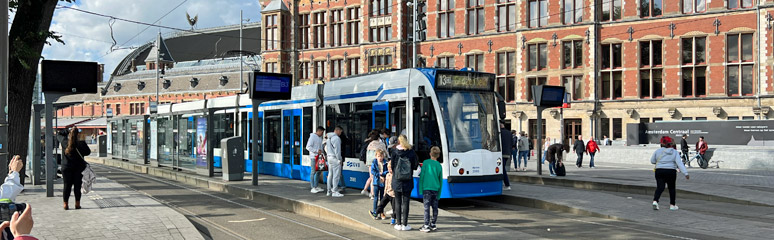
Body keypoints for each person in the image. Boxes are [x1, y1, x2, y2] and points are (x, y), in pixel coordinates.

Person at [651, 136, 689, 211]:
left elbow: (652, 161)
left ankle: (655, 201)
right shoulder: (674, 152)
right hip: (671, 171)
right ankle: (672, 205)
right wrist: (685, 173)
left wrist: (661, 162)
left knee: (660, 187)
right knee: (671, 188)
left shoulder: (657, 151)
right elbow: (679, 163)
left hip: (659, 170)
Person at [390, 135, 419, 231]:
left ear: (398, 142)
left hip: (397, 180)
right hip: (407, 181)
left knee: (398, 202)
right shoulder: (411, 152)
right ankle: (405, 224)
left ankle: (398, 224)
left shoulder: (394, 152)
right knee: (406, 203)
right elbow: (415, 166)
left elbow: (393, 166)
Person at [62, 127, 90, 210]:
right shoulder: (81, 143)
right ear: (78, 134)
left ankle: (65, 204)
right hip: (78, 168)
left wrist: (67, 130)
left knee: (67, 186)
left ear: (69, 134)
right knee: (77, 186)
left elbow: (59, 134)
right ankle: (77, 204)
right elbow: (88, 152)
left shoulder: (64, 142)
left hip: (66, 167)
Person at [418, 147, 442, 233]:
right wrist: (439, 193)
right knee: (435, 207)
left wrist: (420, 189)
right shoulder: (439, 165)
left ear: (430, 153)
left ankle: (426, 225)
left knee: (426, 207)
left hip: (426, 188)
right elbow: (440, 180)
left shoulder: (425, 163)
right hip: (435, 189)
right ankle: (433, 223)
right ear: (438, 155)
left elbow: (422, 177)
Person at [363, 130, 388, 198]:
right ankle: (381, 193)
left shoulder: (369, 144)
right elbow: (386, 153)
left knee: (372, 178)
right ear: (378, 138)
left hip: (370, 163)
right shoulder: (381, 144)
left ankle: (372, 194)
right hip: (378, 163)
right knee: (381, 177)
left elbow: (367, 154)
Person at [374, 154, 396, 224]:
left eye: (391, 168)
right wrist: (384, 192)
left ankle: (393, 219)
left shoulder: (395, 176)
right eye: (388, 169)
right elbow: (386, 184)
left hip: (394, 195)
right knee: (382, 204)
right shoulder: (387, 175)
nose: (389, 170)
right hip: (388, 193)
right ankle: (376, 213)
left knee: (394, 208)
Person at [369, 149, 388, 219]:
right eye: (378, 156)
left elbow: (387, 171)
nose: (380, 158)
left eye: (381, 156)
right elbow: (373, 171)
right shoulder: (374, 162)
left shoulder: (385, 162)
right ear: (376, 156)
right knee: (376, 198)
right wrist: (379, 175)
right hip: (376, 182)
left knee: (382, 199)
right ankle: (375, 212)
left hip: (383, 182)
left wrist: (383, 174)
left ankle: (381, 212)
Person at [326, 126, 344, 197]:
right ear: (338, 130)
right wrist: (339, 159)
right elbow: (337, 151)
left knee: (330, 174)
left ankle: (328, 191)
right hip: (334, 158)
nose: (340, 133)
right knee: (336, 175)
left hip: (329, 157)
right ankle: (335, 191)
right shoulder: (336, 138)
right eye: (340, 132)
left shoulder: (328, 138)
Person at [306, 126, 325, 193]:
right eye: (322, 132)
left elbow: (321, 147)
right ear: (319, 131)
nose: (322, 134)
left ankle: (316, 186)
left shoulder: (320, 138)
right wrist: (316, 151)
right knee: (313, 171)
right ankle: (312, 187)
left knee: (319, 171)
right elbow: (308, 147)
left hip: (319, 157)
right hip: (314, 157)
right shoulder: (312, 137)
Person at [499, 123, 512, 190]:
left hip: (501, 153)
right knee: (502, 168)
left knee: (502, 169)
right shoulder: (509, 133)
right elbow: (512, 143)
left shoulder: (499, 133)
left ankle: (507, 184)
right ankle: (504, 184)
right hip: (508, 153)